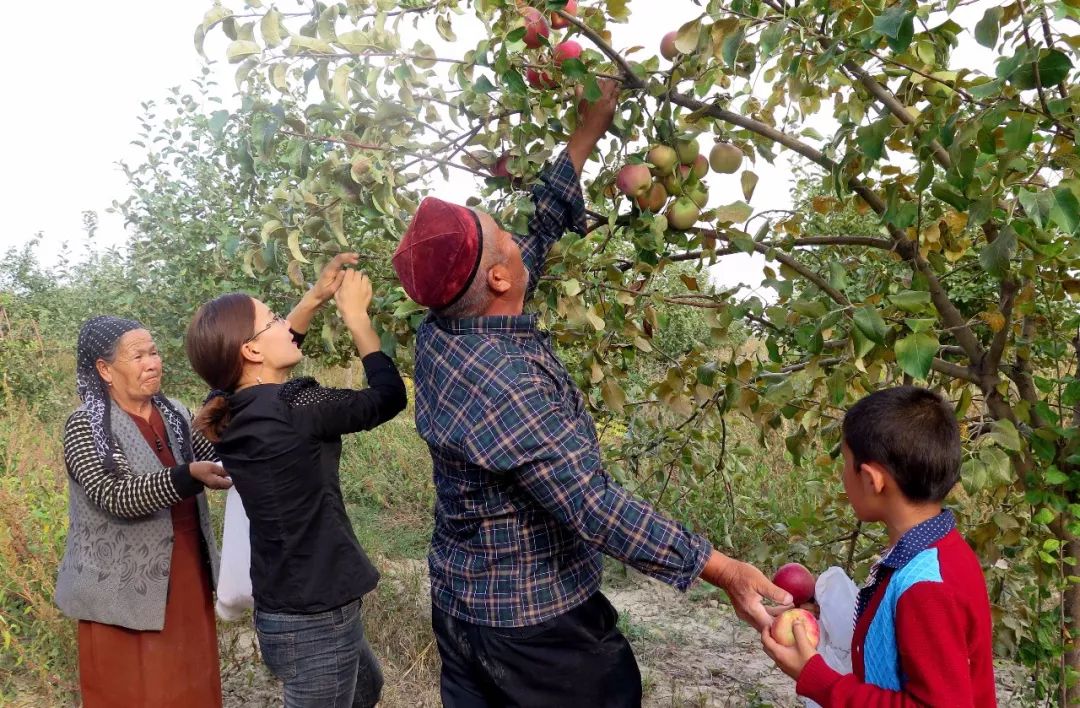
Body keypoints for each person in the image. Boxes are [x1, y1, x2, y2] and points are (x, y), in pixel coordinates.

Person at [391, 78, 791, 707]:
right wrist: (723, 569)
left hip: (465, 604)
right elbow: (596, 508)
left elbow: (538, 232)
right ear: (499, 275)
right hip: (532, 629)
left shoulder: (445, 325)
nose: (517, 237)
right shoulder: (506, 387)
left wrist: (587, 131)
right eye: (502, 236)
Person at [185, 255, 407, 708]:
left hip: (285, 603)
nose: (287, 325)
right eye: (274, 320)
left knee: (367, 688)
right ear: (250, 350)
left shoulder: (225, 413)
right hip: (317, 617)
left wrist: (314, 297)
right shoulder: (296, 405)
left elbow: (256, 375)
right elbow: (388, 396)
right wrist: (356, 318)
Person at [761, 386, 996, 706]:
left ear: (872, 480)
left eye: (845, 463)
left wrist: (817, 678)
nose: (843, 476)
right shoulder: (939, 553)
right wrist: (822, 615)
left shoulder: (926, 588)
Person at [55, 316, 233, 707]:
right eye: (137, 355)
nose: (152, 362)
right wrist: (187, 476)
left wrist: (234, 408)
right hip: (118, 585)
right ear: (104, 369)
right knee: (133, 689)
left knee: (190, 680)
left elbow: (218, 460)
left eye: (153, 352)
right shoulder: (87, 426)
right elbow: (115, 495)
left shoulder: (175, 413)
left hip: (187, 570)